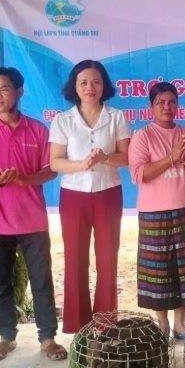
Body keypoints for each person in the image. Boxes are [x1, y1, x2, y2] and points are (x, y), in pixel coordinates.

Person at [0, 66, 66, 362]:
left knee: (41, 279)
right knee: (1, 281)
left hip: (32, 218)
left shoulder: (38, 130)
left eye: (4, 89)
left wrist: (23, 179)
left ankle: (48, 338)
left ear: (19, 92)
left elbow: (50, 170)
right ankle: (6, 337)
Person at [49, 60, 130, 334]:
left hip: (108, 194)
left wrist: (105, 158)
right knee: (75, 259)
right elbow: (55, 162)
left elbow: (127, 157)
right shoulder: (63, 120)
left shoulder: (116, 116)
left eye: (96, 81)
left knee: (107, 259)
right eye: (83, 82)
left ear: (104, 84)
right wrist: (81, 164)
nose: (90, 87)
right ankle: (78, 326)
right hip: (73, 197)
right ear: (74, 86)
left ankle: (105, 325)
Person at [128, 82, 185, 342]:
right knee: (159, 273)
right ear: (151, 107)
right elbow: (140, 174)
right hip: (154, 214)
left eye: (172, 102)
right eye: (161, 102)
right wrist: (172, 158)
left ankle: (180, 326)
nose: (167, 107)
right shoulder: (142, 136)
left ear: (178, 106)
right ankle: (161, 326)